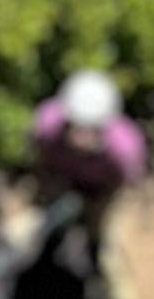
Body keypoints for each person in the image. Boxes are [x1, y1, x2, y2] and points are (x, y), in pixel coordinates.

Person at [27, 67, 147, 211]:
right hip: (59, 178)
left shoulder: (125, 148)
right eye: (75, 125)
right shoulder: (46, 123)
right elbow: (38, 156)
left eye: (90, 129)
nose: (80, 136)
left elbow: (127, 183)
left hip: (102, 189)